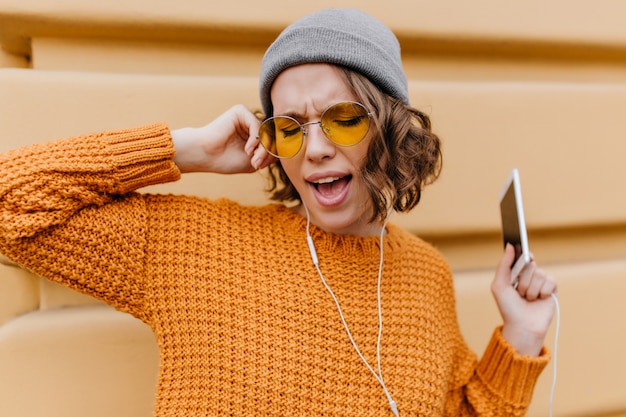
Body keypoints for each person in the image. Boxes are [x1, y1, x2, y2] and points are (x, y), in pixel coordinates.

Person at [0, 8, 557, 417]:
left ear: (390, 129)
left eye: (341, 119)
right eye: (288, 128)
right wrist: (184, 150)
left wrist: (521, 336)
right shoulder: (196, 244)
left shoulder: (426, 276)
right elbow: (10, 203)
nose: (313, 149)